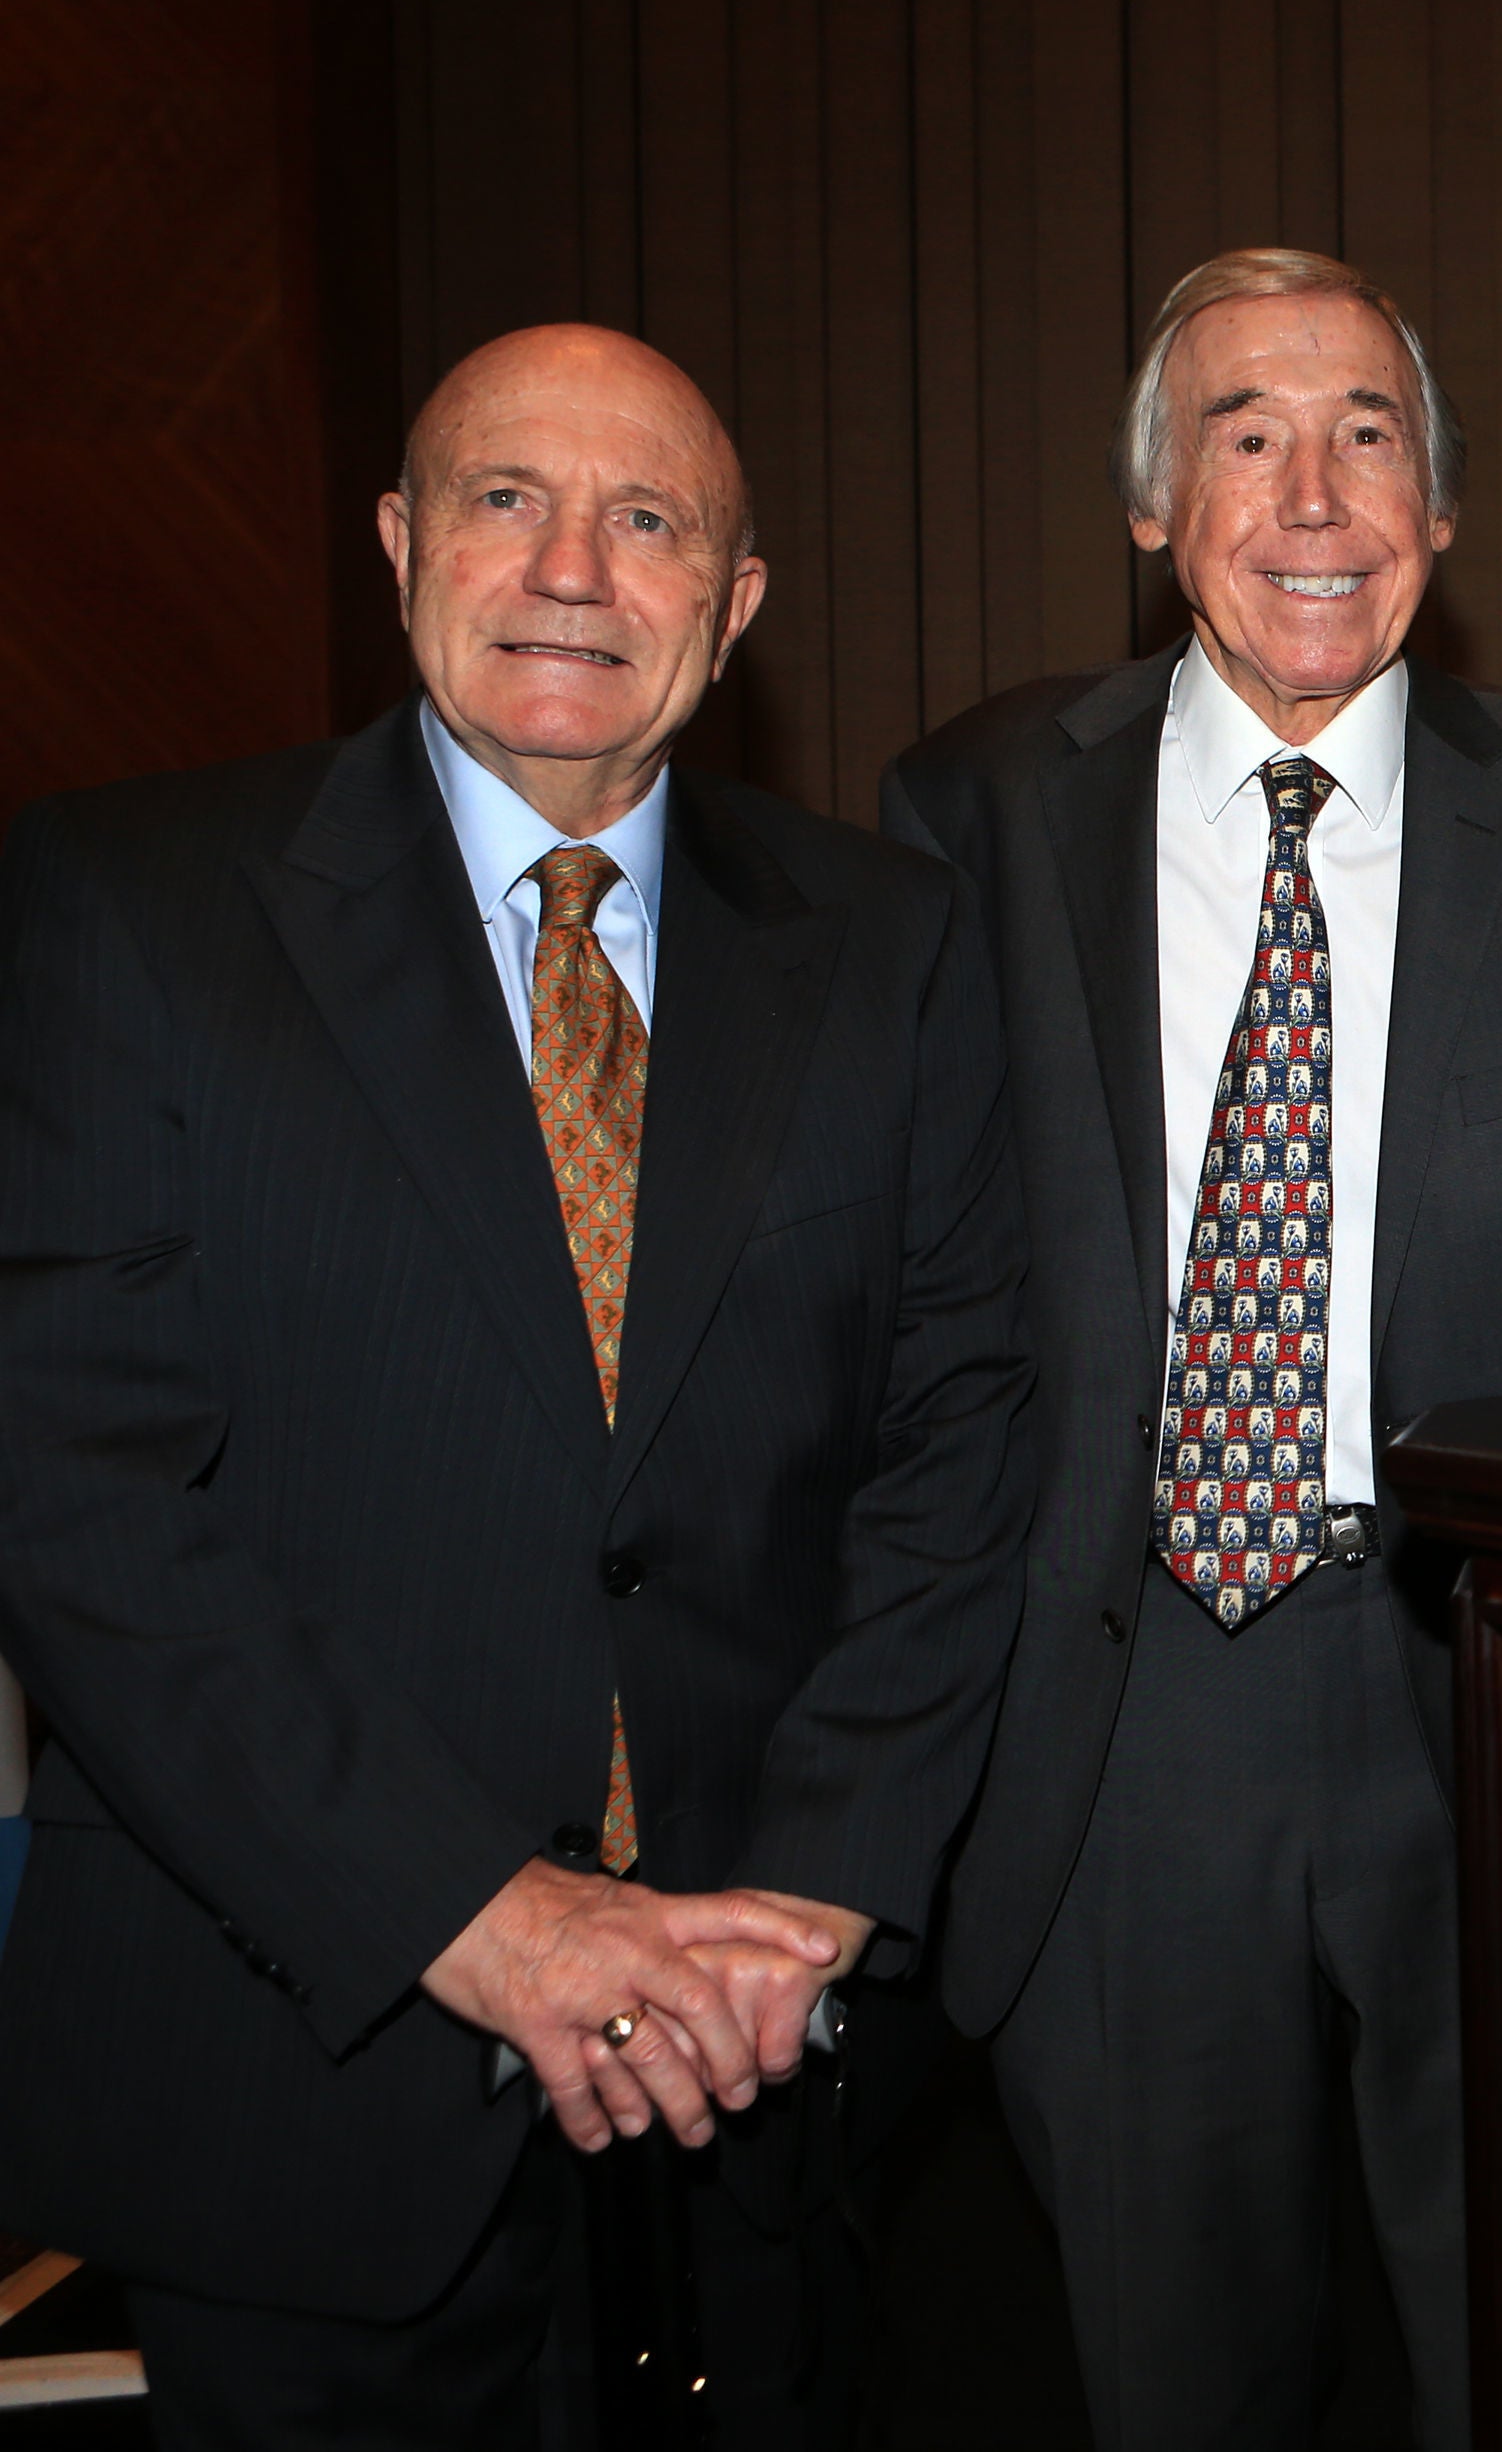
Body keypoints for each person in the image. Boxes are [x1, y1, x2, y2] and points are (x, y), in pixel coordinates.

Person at [0, 324, 1034, 2444]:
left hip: (768, 2081)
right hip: (312, 2082)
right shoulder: (123, 909)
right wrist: (473, 1915)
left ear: (733, 608)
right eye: (505, 498)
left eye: (649, 521)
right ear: (398, 546)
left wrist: (816, 1904)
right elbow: (78, 1497)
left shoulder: (892, 943)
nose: (574, 565)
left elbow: (962, 1438)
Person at [887, 247, 1502, 2449]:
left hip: (1486, 1675)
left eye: (1371, 436)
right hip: (1122, 1698)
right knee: (1176, 2376)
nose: (1315, 489)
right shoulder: (969, 812)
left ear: (1442, 511)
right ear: (1155, 506)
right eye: (1248, 433)